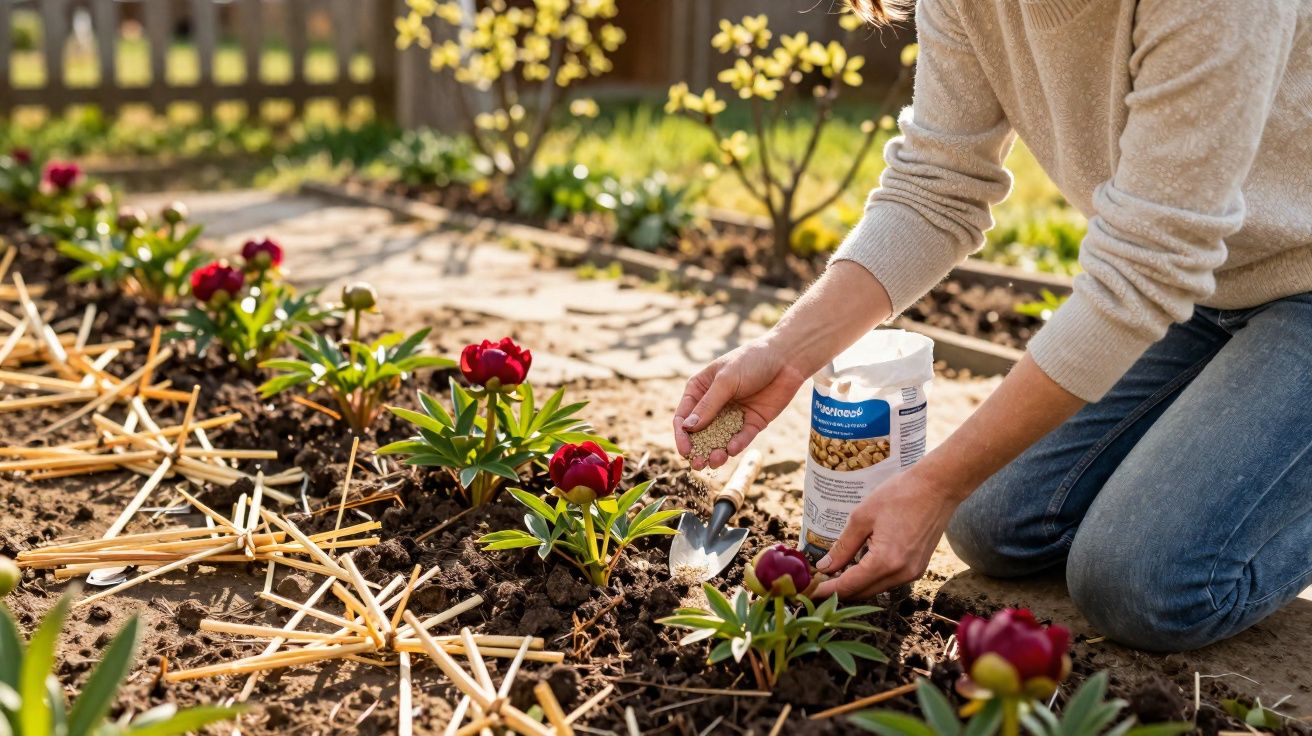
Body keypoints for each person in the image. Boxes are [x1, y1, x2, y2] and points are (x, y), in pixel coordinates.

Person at [673, 0, 1312, 652]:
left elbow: (1144, 271)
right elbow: (936, 185)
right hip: (1205, 291)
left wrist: (935, 482)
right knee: (993, 523)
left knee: (1143, 582)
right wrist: (785, 353)